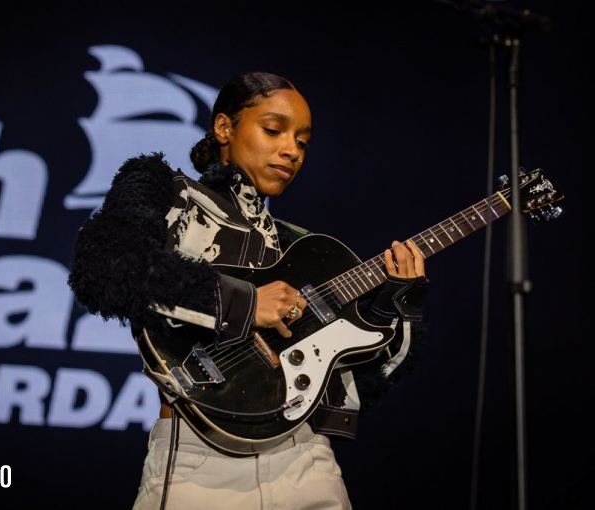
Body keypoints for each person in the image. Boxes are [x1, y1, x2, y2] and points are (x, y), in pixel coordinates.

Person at [68, 71, 428, 509]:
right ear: (225, 127)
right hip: (200, 465)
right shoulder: (167, 191)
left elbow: (356, 387)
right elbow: (104, 265)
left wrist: (398, 305)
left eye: (303, 141)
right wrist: (247, 302)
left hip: (308, 463)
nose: (292, 149)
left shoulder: (299, 245)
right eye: (274, 130)